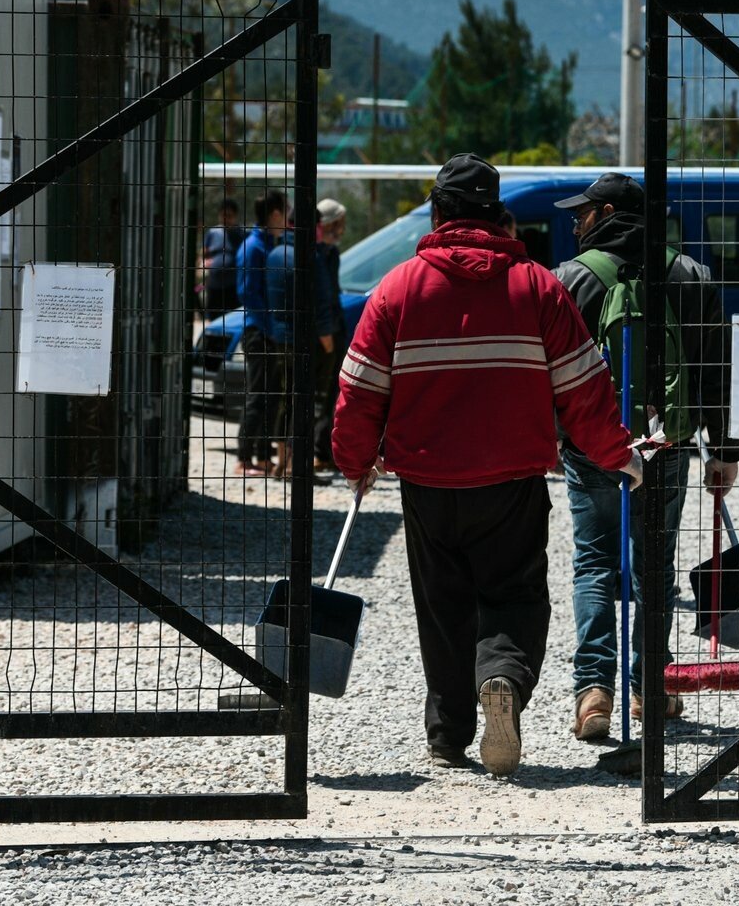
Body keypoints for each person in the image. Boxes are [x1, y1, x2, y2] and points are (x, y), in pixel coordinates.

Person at [331, 155, 639, 778]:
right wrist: (618, 456)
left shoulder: (397, 288)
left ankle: (448, 735)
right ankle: (501, 679)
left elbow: (359, 390)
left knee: (442, 605)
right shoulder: (538, 287)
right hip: (512, 479)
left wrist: (355, 461)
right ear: (498, 215)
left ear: (438, 212)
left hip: (427, 480)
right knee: (515, 593)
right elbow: (584, 388)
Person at [551, 173, 739, 741]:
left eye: (581, 213)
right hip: (668, 445)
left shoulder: (571, 279)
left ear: (606, 212)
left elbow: (554, 373)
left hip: (592, 446)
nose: (576, 222)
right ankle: (648, 687)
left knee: (594, 563)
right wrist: (724, 452)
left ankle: (593, 691)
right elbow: (715, 372)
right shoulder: (690, 274)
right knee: (653, 567)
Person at [263, 204, 340, 482]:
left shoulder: (274, 254)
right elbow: (321, 302)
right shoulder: (311, 257)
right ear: (313, 226)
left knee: (285, 401)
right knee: (308, 404)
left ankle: (280, 463)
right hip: (308, 342)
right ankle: (298, 466)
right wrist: (329, 342)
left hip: (280, 338)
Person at [235, 190, 287, 478]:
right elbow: (247, 293)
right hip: (258, 333)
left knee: (273, 396)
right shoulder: (253, 247)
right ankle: (244, 459)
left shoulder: (270, 245)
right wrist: (270, 327)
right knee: (257, 396)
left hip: (271, 332)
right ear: (275, 214)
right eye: (286, 212)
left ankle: (264, 457)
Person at [312, 198, 348, 473]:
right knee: (319, 394)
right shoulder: (315, 254)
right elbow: (320, 299)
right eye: (338, 224)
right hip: (322, 334)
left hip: (333, 329)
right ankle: (315, 451)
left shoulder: (330, 253)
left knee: (331, 395)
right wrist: (325, 331)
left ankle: (324, 451)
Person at [199, 199, 242, 318]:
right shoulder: (213, 232)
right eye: (223, 215)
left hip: (233, 286)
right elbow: (204, 252)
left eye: (229, 216)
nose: (225, 219)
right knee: (213, 318)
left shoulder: (240, 233)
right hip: (214, 285)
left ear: (235, 216)